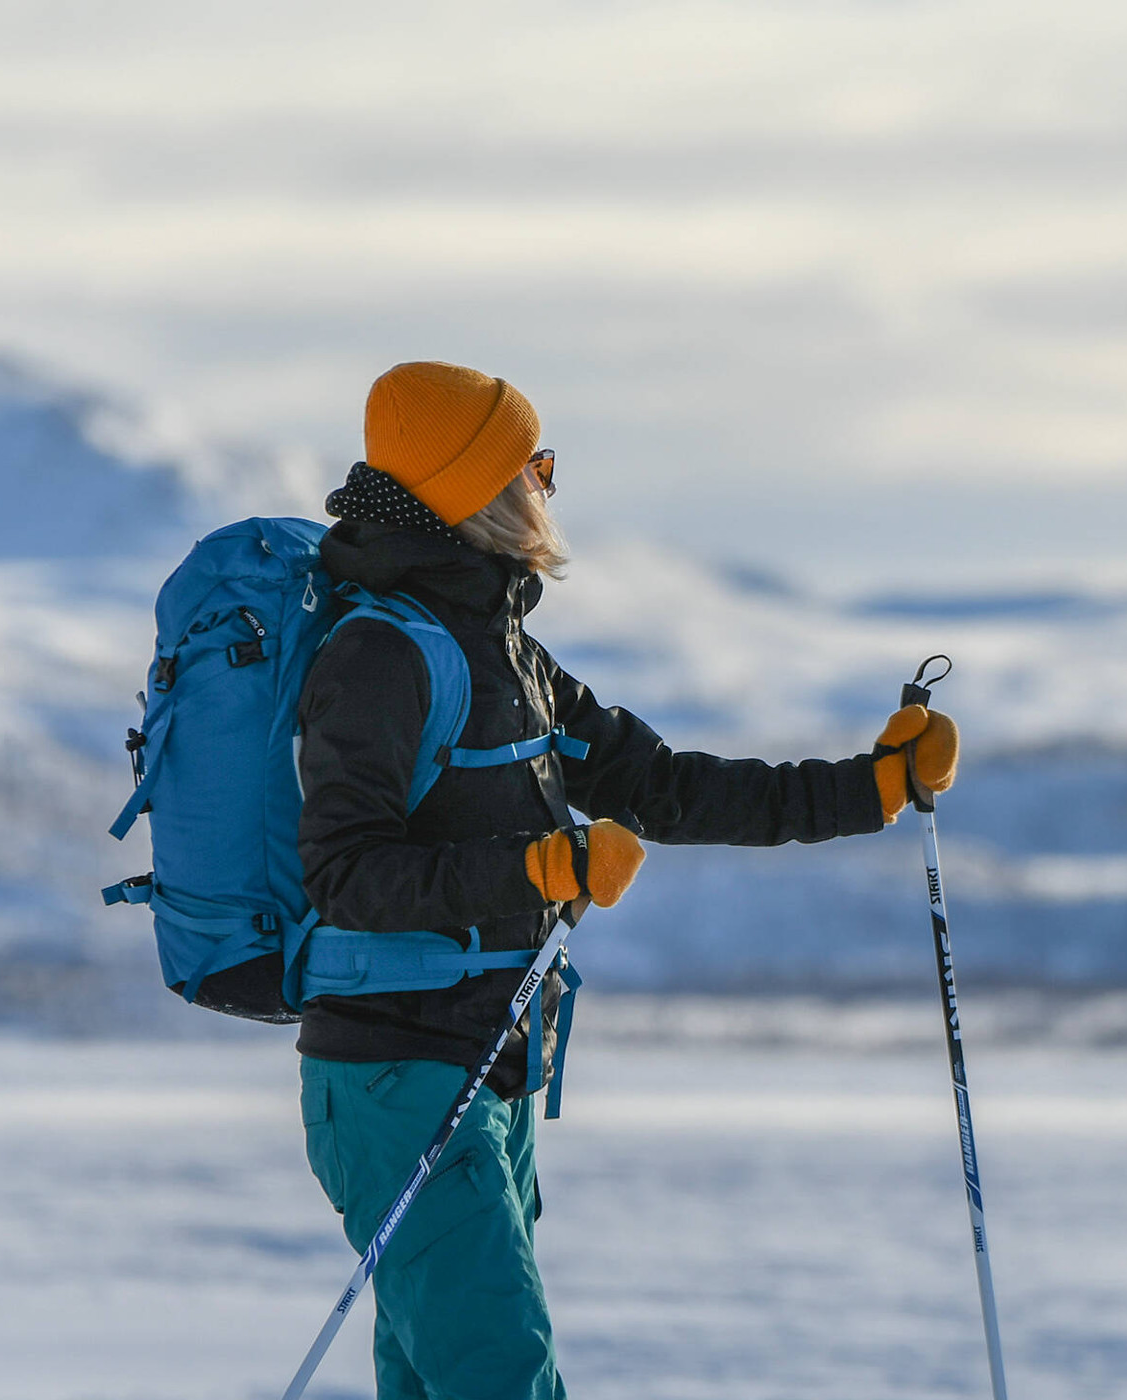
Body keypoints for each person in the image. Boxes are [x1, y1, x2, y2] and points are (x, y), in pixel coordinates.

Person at [293, 362, 957, 1400]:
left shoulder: (509, 651)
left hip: (485, 1065)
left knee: (442, 1376)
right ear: (475, 489)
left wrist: (868, 788)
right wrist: (541, 864)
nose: (548, 486)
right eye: (535, 464)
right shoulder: (380, 654)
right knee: (501, 1373)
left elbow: (665, 787)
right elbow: (344, 871)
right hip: (396, 1077)